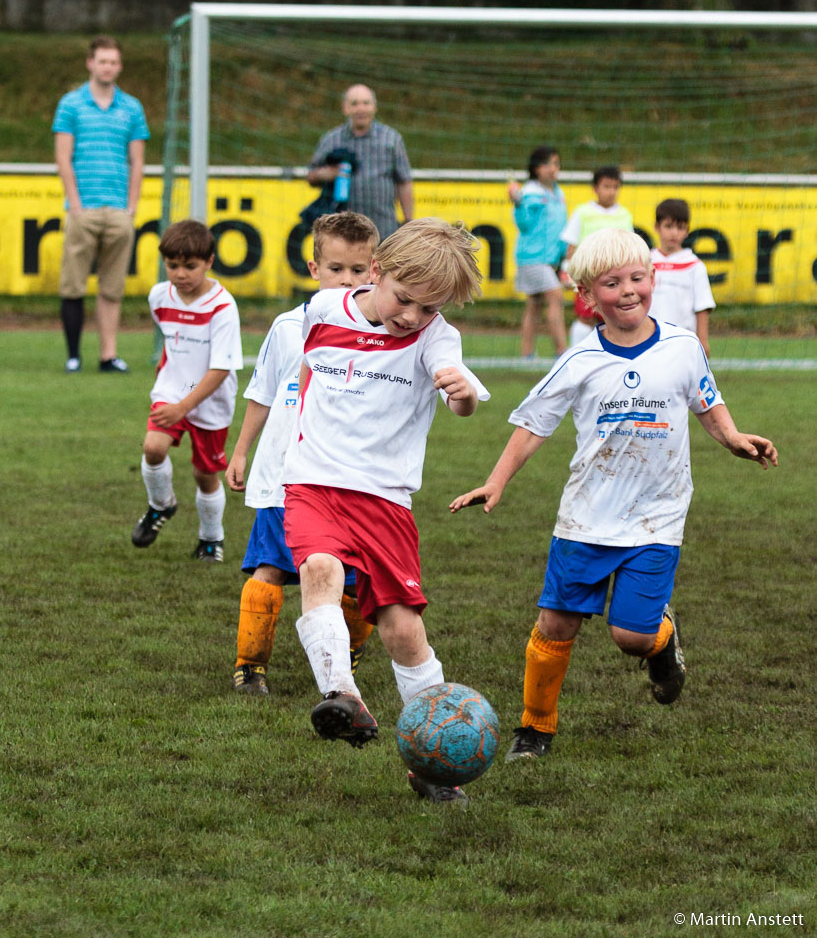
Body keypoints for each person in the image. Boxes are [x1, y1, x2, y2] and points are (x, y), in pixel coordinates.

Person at [450, 228, 777, 764]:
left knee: (630, 636)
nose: (628, 291)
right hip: (585, 515)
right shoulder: (578, 361)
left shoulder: (682, 346)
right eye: (612, 283)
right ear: (587, 296)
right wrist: (497, 479)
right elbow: (533, 425)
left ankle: (661, 641)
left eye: (637, 278)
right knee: (557, 624)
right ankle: (535, 729)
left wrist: (733, 438)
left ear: (652, 279)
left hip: (657, 517)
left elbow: (706, 402)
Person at [282, 218, 490, 806]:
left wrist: (463, 394)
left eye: (430, 308)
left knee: (402, 631)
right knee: (319, 570)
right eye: (404, 299)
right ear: (376, 271)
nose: (412, 316)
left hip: (384, 499)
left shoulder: (435, 338)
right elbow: (302, 373)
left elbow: (464, 402)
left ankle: (435, 759)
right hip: (314, 483)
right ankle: (341, 694)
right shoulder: (321, 309)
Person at [225, 212, 380, 696]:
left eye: (357, 270)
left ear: (375, 270)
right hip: (284, 472)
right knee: (270, 565)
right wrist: (241, 450)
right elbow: (263, 391)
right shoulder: (289, 326)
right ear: (314, 269)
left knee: (355, 578)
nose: (347, 280)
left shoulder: (385, 329)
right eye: (336, 269)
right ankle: (250, 666)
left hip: (349, 476)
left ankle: (346, 655)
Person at [131, 220, 243, 562]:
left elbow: (221, 368)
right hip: (172, 389)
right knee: (153, 447)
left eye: (190, 266)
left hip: (211, 398)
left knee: (205, 474)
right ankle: (160, 505)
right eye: (172, 265)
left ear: (209, 261)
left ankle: (212, 538)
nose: (180, 274)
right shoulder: (158, 295)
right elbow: (170, 333)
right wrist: (167, 364)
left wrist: (184, 407)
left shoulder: (222, 307)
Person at [52, 34, 149, 374]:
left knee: (112, 287)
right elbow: (63, 158)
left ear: (119, 66)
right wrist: (75, 204)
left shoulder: (132, 108)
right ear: (90, 63)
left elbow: (137, 161)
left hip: (119, 210)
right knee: (73, 284)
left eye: (113, 61)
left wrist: (131, 207)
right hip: (84, 208)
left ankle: (108, 355)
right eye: (102, 60)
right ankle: (73, 355)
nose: (108, 67)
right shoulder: (70, 104)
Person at [306, 84, 413, 242]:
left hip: (384, 231)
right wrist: (328, 174)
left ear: (374, 107)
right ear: (345, 108)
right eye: (354, 104)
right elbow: (311, 176)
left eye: (366, 103)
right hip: (342, 234)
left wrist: (408, 220)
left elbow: (404, 182)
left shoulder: (392, 139)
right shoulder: (331, 140)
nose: (361, 108)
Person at [561, 165, 633, 347]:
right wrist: (566, 270)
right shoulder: (583, 212)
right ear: (595, 188)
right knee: (585, 317)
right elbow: (572, 245)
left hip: (616, 279)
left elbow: (631, 247)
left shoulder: (624, 215)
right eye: (606, 186)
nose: (611, 192)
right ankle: (577, 354)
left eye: (615, 187)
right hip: (588, 277)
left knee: (613, 318)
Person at [508, 145, 568, 358]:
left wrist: (562, 254)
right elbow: (523, 224)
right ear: (536, 169)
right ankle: (562, 351)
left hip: (550, 258)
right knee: (555, 296)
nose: (553, 168)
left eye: (555, 163)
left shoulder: (558, 192)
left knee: (534, 305)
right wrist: (517, 204)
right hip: (532, 257)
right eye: (547, 164)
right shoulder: (530, 192)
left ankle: (527, 354)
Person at [650, 198, 716, 357]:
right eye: (668, 226)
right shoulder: (645, 261)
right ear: (656, 227)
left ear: (687, 231)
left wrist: (703, 341)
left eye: (680, 228)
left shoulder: (695, 266)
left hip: (683, 342)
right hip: (649, 340)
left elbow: (702, 306)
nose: (674, 233)